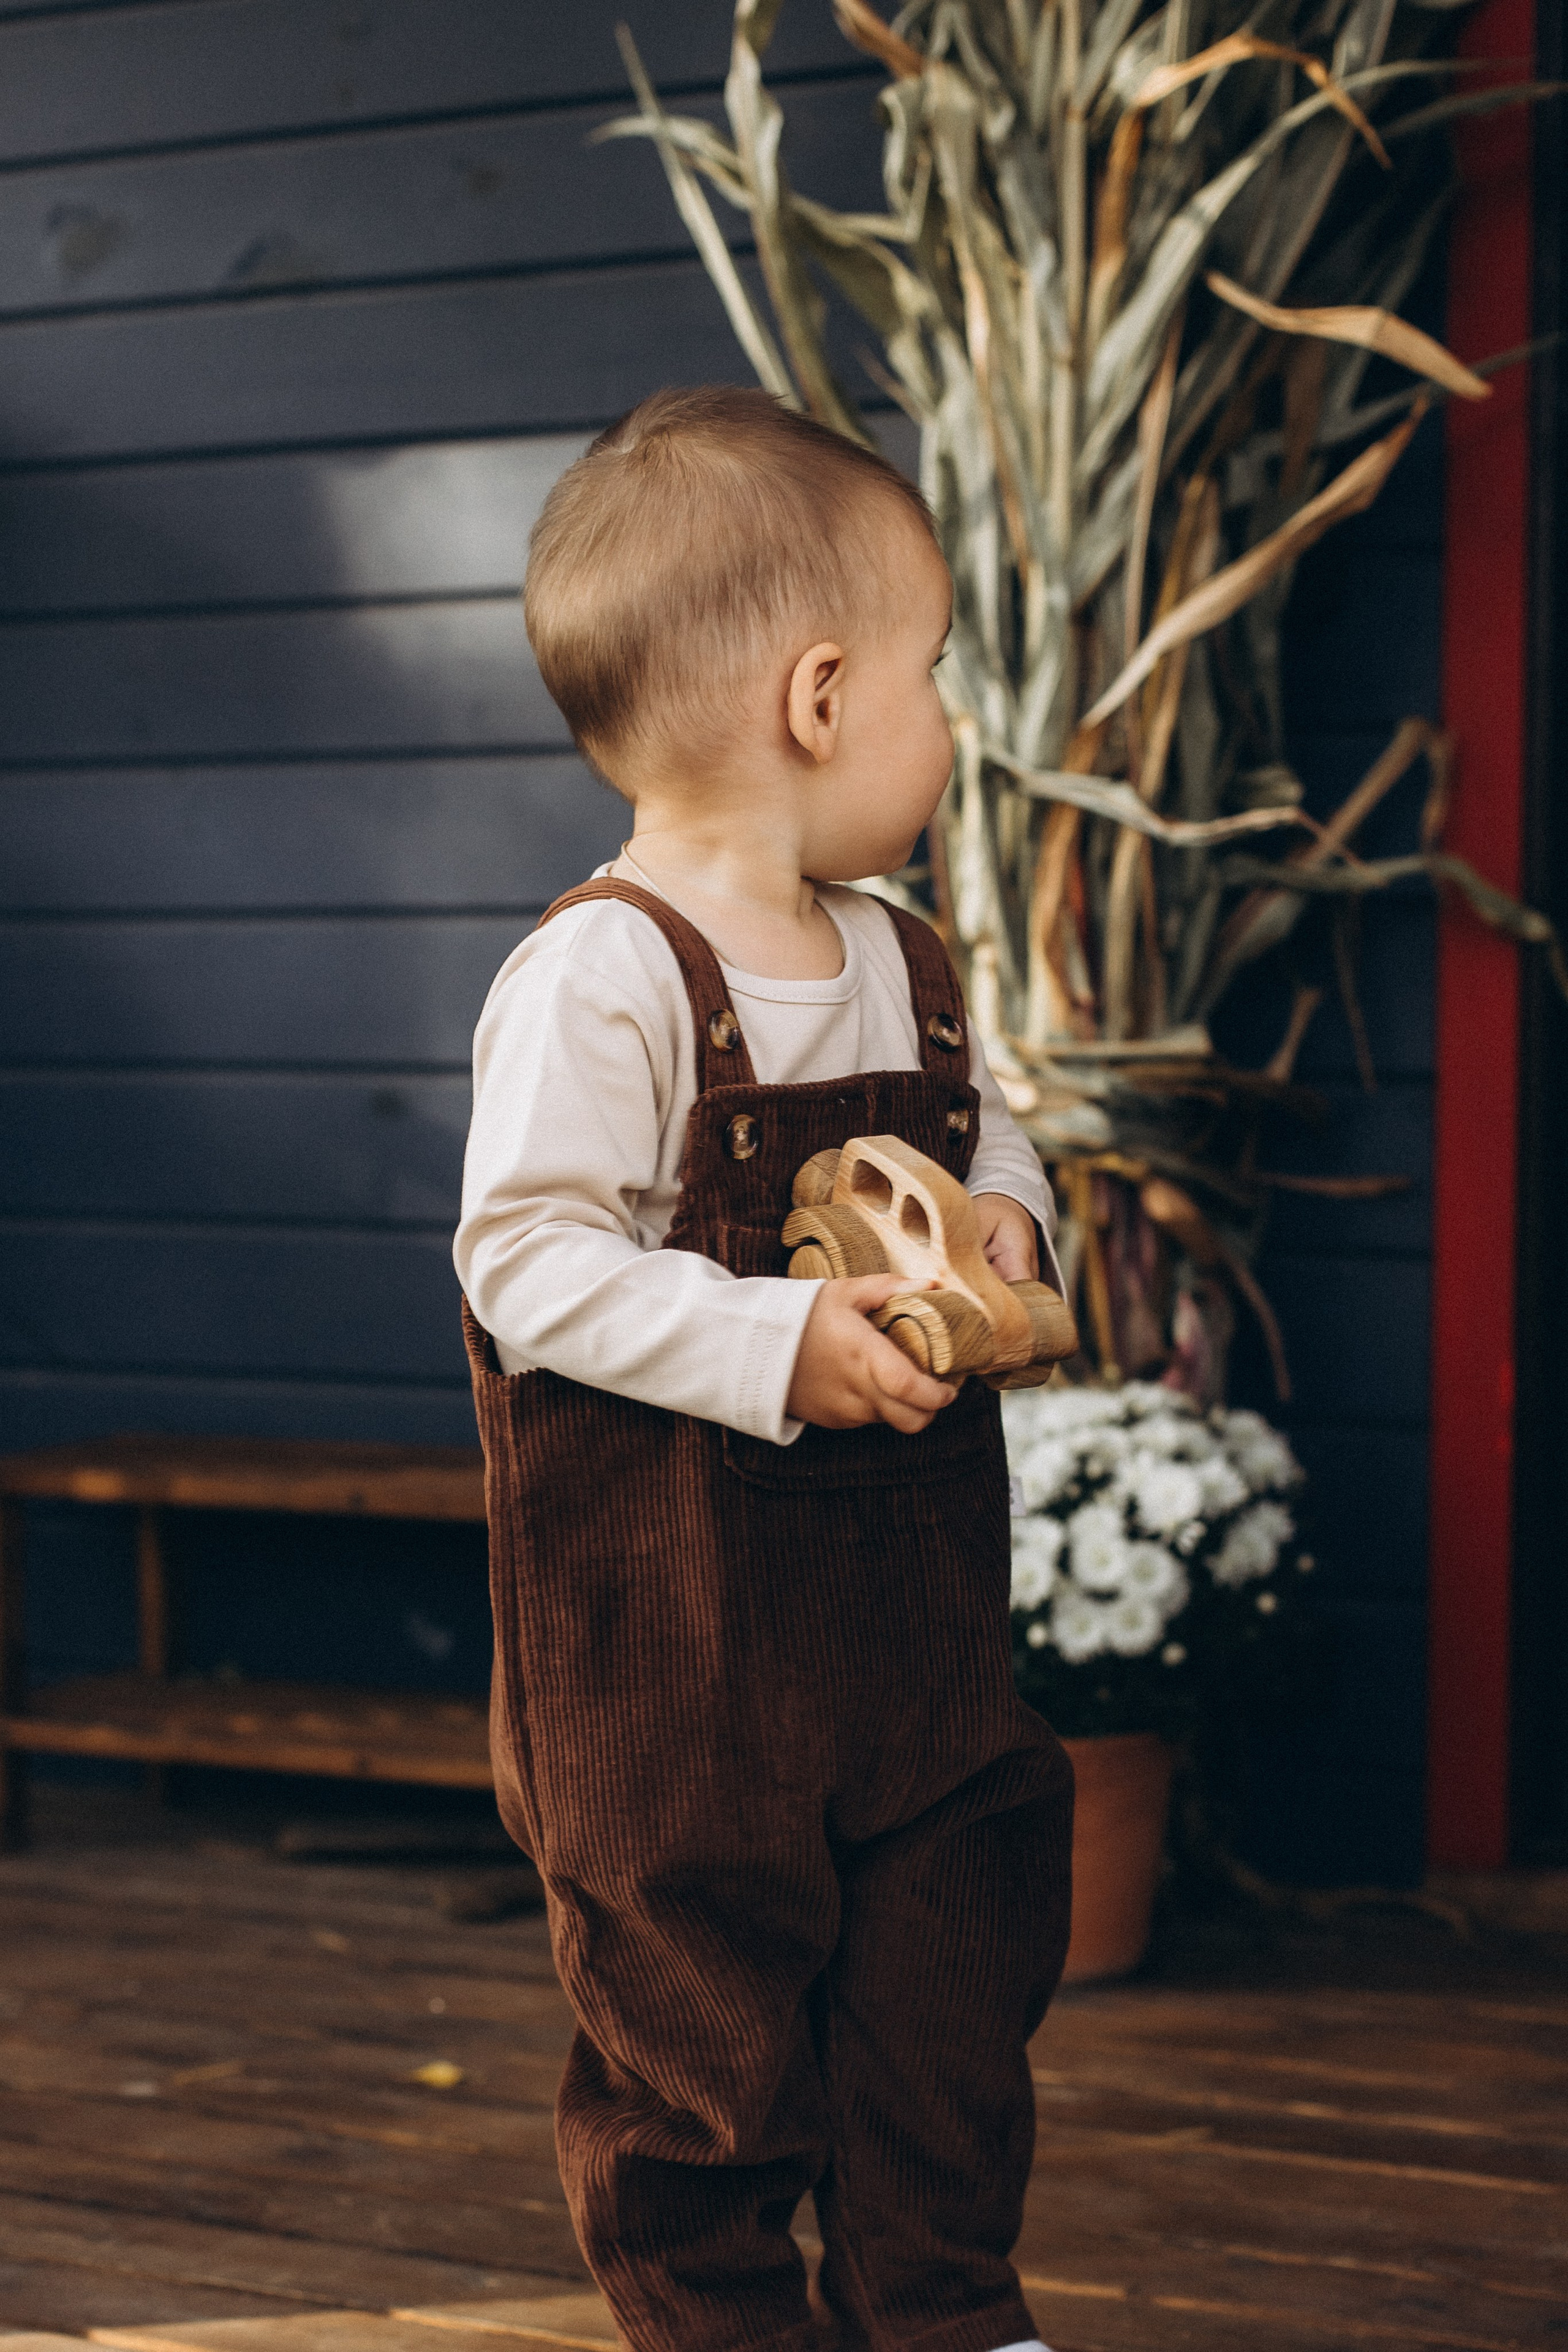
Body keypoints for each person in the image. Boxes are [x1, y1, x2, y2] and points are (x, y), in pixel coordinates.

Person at [455, 385, 1073, 2352]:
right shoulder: (606, 975)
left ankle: (946, 2311)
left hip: (913, 1648)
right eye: (934, 672)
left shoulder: (902, 958)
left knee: (948, 2012)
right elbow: (524, 1262)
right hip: (673, 1665)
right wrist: (775, 1336)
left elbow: (985, 1137)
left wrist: (1008, 1226)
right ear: (820, 698)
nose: (950, 718)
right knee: (702, 2064)